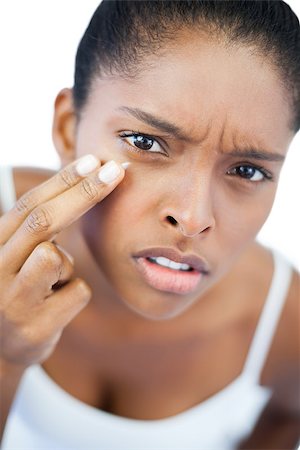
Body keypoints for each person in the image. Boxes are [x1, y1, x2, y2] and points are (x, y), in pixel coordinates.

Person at [0, 1, 299, 449]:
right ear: (67, 128)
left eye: (248, 171)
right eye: (146, 142)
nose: (194, 218)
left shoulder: (286, 327)